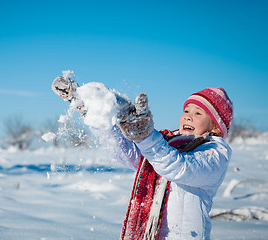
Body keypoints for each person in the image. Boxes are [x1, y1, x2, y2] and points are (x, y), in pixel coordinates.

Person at [52, 77, 233, 239]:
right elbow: (126, 152)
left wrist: (145, 136)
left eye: (198, 113)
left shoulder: (214, 152)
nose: (188, 116)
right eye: (186, 110)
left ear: (216, 127)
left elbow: (179, 167)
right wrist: (95, 115)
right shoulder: (167, 143)